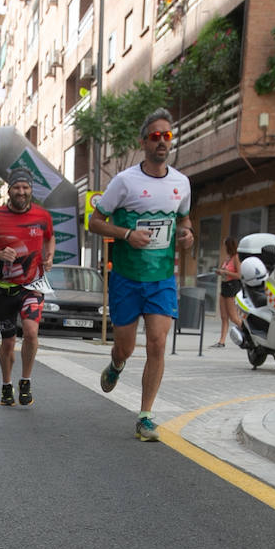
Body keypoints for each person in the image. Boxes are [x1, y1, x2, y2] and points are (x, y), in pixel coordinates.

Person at [87, 107, 193, 440]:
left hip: (161, 278)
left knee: (158, 344)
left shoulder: (181, 183)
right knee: (126, 348)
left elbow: (185, 222)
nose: (162, 142)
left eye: (167, 136)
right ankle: (116, 365)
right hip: (127, 278)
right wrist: (126, 235)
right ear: (143, 141)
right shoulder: (124, 181)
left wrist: (188, 235)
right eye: (155, 136)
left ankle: (145, 416)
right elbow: (94, 221)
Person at [0, 167, 55, 406]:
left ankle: (26, 380)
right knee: (8, 342)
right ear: (9, 190)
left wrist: (49, 256)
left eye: (26, 187)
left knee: (31, 332)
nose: (22, 192)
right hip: (4, 288)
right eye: (17, 188)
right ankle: (6, 384)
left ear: (31, 190)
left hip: (32, 284)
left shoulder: (42, 216)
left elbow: (50, 236)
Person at [213, 236, 241, 347]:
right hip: (224, 285)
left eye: (225, 244)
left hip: (232, 287)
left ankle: (248, 333)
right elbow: (224, 270)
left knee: (233, 316)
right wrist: (220, 272)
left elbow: (239, 275)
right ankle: (222, 341)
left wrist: (226, 273)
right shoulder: (227, 258)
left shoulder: (236, 258)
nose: (223, 247)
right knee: (224, 316)